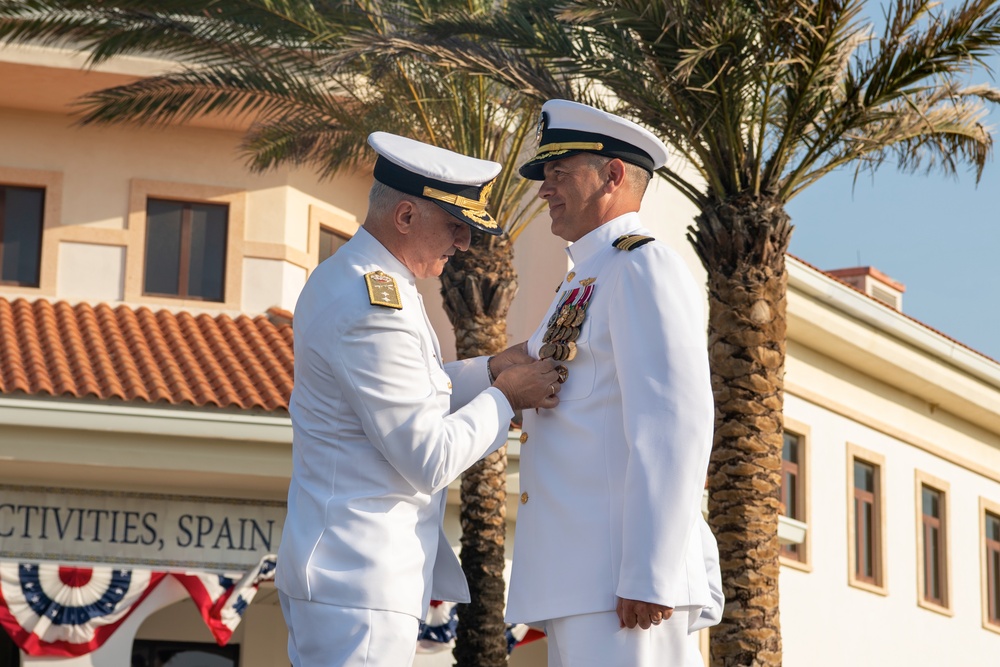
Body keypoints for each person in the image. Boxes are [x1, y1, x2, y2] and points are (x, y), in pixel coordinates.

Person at [275, 131, 562, 667]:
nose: (464, 244)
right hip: (359, 584)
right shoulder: (372, 306)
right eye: (455, 226)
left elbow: (408, 391)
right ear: (405, 217)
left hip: (349, 575)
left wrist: (490, 368)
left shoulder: (359, 280)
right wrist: (505, 397)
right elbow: (425, 455)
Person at [503, 99, 718, 666]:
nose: (544, 188)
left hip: (624, 582)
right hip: (584, 577)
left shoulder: (644, 267)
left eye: (558, 172)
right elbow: (515, 368)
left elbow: (675, 424)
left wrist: (650, 570)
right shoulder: (585, 279)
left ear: (613, 176)